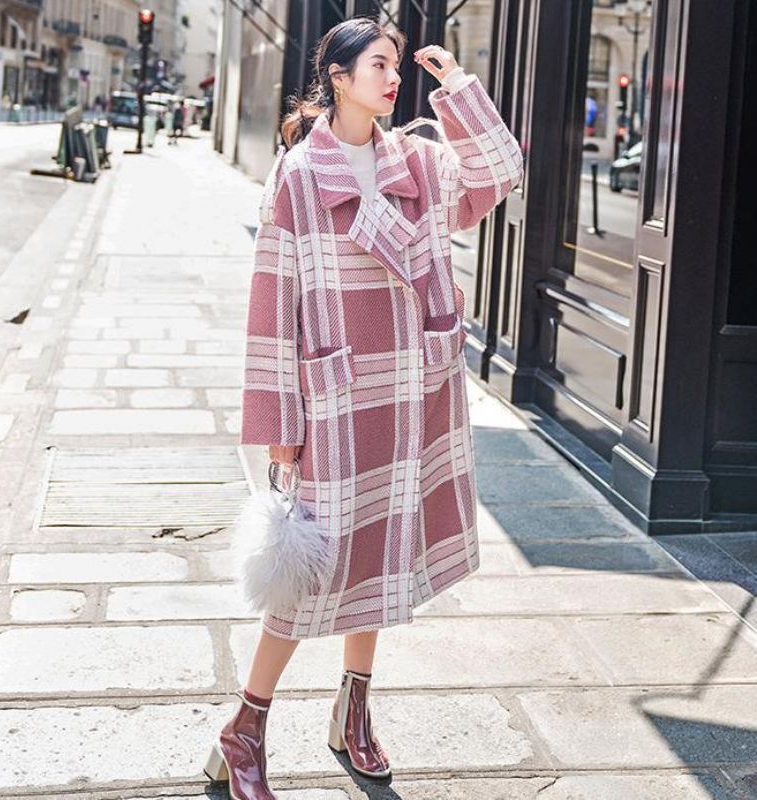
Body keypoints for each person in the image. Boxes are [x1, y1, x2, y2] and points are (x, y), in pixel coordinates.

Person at [203, 16, 524, 798]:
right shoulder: (301, 174)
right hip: (339, 398)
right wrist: (280, 426)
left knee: (378, 556)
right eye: (377, 65)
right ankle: (245, 728)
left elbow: (501, 171)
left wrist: (458, 88)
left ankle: (353, 711)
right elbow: (272, 301)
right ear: (338, 77)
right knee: (310, 571)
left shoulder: (417, 159)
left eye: (396, 68)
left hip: (413, 394)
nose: (392, 79)